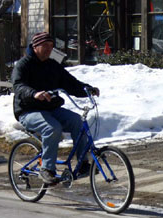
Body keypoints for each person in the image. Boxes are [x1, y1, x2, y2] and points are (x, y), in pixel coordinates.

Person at [12, 32, 99, 184]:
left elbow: (70, 83)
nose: (48, 49)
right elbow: (18, 85)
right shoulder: (23, 65)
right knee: (52, 128)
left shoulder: (52, 65)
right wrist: (34, 94)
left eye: (51, 46)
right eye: (45, 46)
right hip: (28, 111)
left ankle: (83, 164)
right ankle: (46, 169)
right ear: (35, 46)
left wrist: (87, 89)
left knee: (78, 122)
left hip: (51, 109)